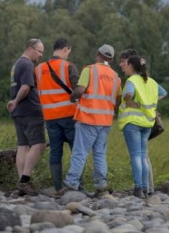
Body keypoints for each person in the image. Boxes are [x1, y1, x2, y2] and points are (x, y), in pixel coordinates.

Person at [62, 44, 122, 197]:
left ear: (97, 54)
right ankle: (101, 185)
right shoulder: (116, 77)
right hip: (105, 121)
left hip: (88, 118)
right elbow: (119, 99)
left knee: (80, 152)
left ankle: (71, 183)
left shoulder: (89, 70)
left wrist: (72, 97)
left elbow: (80, 90)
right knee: (100, 153)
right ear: (111, 59)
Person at [34, 38, 81, 194]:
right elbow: (78, 90)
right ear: (66, 49)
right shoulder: (69, 66)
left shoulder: (39, 69)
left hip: (49, 117)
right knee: (76, 150)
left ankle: (58, 187)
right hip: (69, 116)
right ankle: (76, 185)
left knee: (55, 151)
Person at [118, 55, 167, 198]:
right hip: (147, 122)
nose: (124, 67)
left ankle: (138, 188)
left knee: (135, 156)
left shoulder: (131, 80)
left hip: (132, 122)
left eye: (125, 64)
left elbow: (128, 95)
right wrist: (149, 102)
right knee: (142, 156)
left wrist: (131, 103)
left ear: (131, 66)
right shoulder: (151, 82)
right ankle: (145, 188)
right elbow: (164, 93)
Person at [7, 38, 47, 196]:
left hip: (18, 112)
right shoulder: (27, 64)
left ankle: (21, 182)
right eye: (39, 51)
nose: (40, 55)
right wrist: (16, 101)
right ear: (30, 49)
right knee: (39, 144)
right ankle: (25, 180)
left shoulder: (16, 64)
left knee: (23, 146)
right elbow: (25, 87)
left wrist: (14, 104)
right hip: (30, 110)